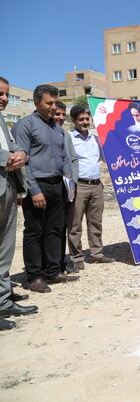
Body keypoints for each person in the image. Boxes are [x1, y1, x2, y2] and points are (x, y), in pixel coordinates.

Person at [11, 85, 79, 292]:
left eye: (54, 103)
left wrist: (69, 184)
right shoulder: (25, 125)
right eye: (48, 103)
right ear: (36, 102)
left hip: (58, 185)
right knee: (35, 231)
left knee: (56, 229)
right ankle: (34, 276)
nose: (53, 107)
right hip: (37, 185)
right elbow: (22, 162)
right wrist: (33, 190)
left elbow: (64, 158)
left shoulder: (56, 128)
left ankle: (53, 271)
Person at [0, 77, 38, 330]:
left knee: (5, 247)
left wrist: (20, 152)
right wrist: (7, 157)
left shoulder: (1, 119)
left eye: (6, 94)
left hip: (8, 187)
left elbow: (13, 144)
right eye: (1, 94)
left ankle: (3, 300)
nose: (4, 98)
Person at [66, 105, 115, 269]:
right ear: (73, 120)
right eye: (81, 119)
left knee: (96, 222)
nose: (85, 122)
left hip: (96, 185)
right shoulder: (68, 138)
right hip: (78, 186)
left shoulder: (95, 139)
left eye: (87, 119)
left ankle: (97, 253)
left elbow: (106, 158)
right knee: (75, 224)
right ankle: (77, 257)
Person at [53, 101, 80, 274]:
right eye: (57, 114)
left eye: (63, 115)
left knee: (62, 226)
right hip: (48, 187)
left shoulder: (65, 135)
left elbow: (73, 161)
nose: (61, 118)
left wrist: (73, 184)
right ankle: (47, 266)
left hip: (66, 188)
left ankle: (61, 262)